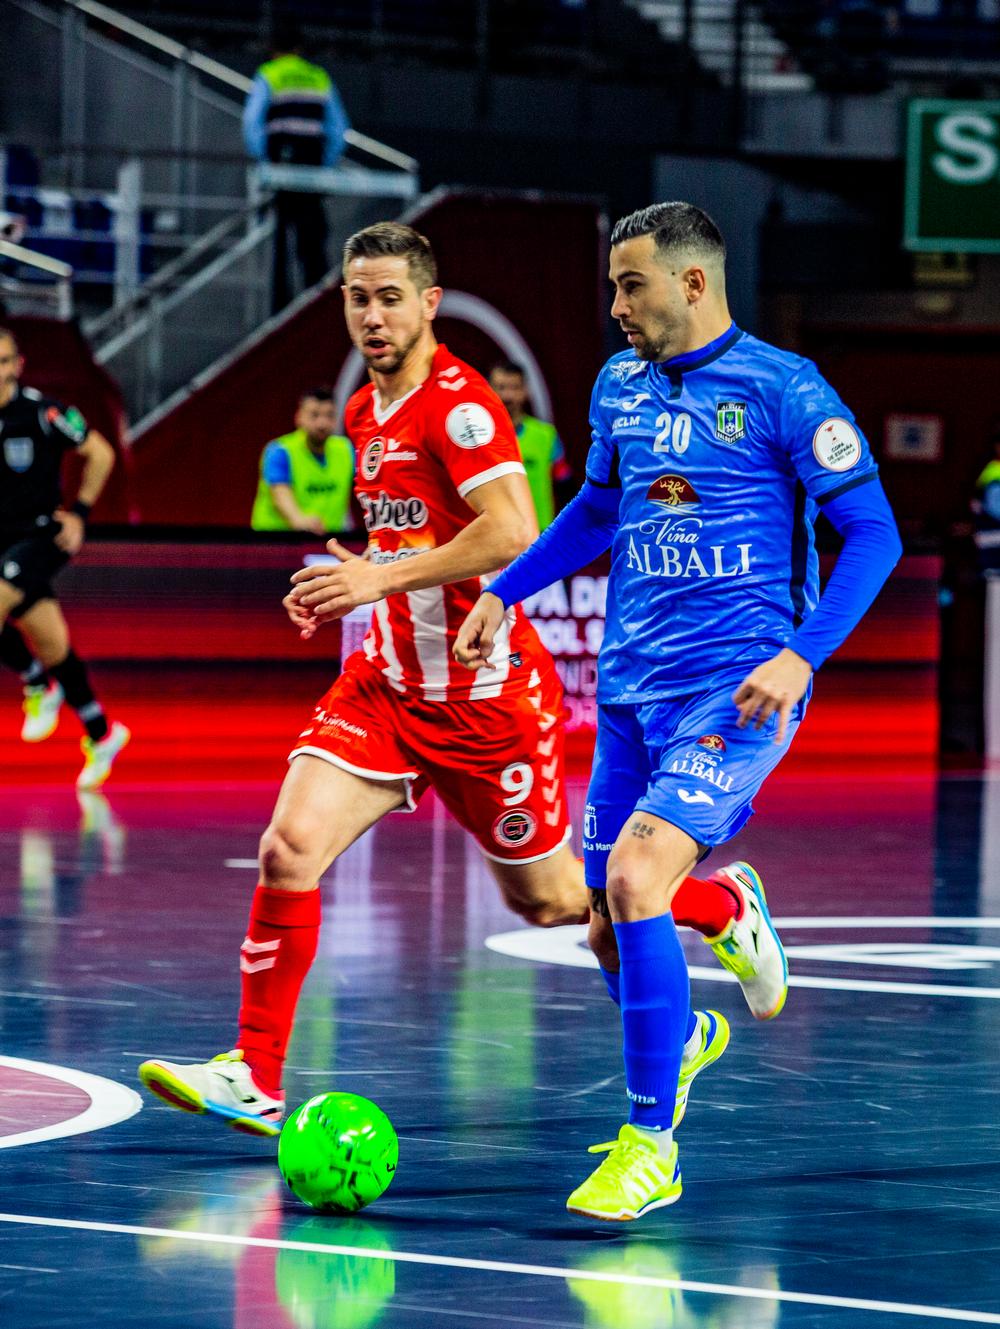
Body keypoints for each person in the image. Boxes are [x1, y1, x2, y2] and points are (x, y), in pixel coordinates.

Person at [137, 221, 773, 1136]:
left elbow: (513, 530)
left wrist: (375, 577)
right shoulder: (365, 413)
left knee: (558, 901)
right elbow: (408, 539)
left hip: (485, 707)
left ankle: (720, 902)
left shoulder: (460, 406)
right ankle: (254, 1072)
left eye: (391, 297)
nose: (372, 315)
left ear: (430, 304)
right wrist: (346, 578)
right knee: (287, 847)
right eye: (358, 297)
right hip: (385, 688)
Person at [456, 201, 902, 1222]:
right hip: (627, 688)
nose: (613, 306)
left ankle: (649, 1143)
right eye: (614, 284)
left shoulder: (787, 389)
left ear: (693, 283)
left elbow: (871, 535)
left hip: (737, 685)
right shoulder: (619, 385)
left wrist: (799, 656)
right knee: (605, 922)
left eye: (630, 285)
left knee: (635, 873)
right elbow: (600, 512)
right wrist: (503, 590)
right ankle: (719, 933)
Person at [0, 326, 130, 788]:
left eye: (4, 362)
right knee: (52, 641)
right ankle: (102, 732)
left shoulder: (44, 412)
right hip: (1, 545)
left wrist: (78, 513)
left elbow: (100, 453)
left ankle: (36, 682)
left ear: (18, 366)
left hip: (39, 537)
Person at [243, 23, 351, 312]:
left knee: (277, 244)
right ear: (300, 48)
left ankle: (279, 308)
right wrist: (323, 166)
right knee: (313, 243)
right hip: (312, 175)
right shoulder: (318, 77)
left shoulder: (269, 75)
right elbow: (339, 130)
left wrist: (267, 162)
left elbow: (252, 125)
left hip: (281, 172)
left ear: (272, 48)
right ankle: (318, 305)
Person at [250, 387, 355, 534]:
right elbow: (280, 493)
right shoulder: (280, 451)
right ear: (299, 417)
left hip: (327, 542)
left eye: (329, 415)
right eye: (314, 415)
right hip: (276, 542)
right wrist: (299, 520)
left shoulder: (346, 450)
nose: (322, 424)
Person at [488, 360, 573, 530]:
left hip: (538, 539)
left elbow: (566, 487)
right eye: (501, 387)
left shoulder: (545, 435)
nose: (508, 396)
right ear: (489, 390)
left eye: (514, 388)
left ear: (525, 391)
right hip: (495, 539)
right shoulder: (478, 437)